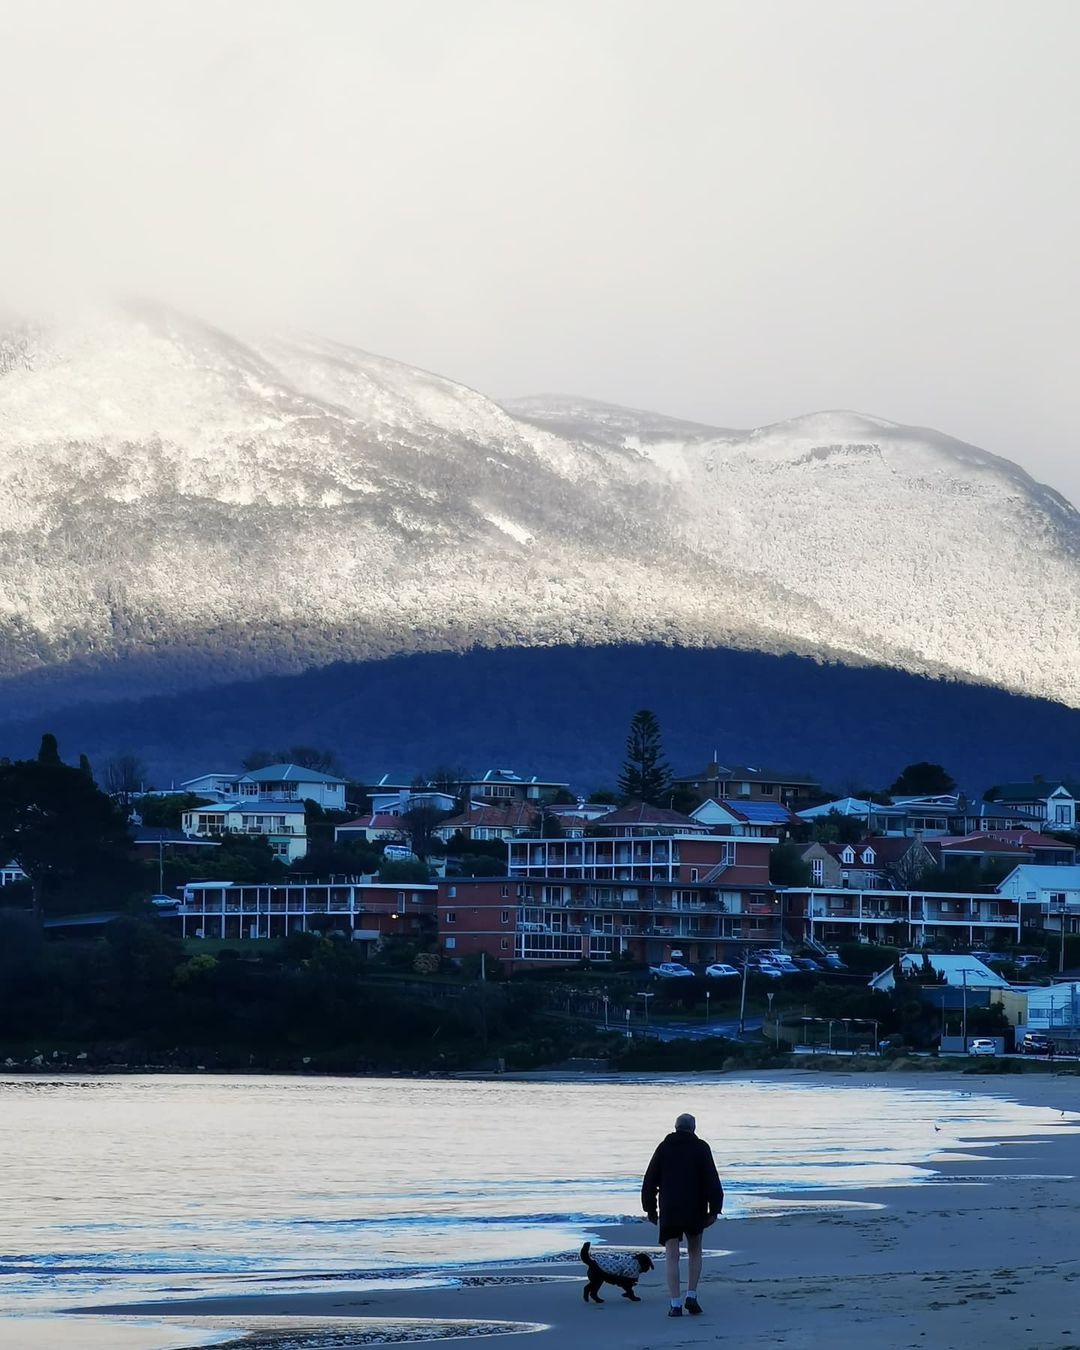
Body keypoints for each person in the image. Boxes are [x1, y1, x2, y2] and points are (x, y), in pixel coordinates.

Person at [641, 1111, 724, 1317]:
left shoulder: (663, 1147)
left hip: (669, 1208)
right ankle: (692, 1295)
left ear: (675, 1127)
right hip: (695, 1207)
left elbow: (649, 1180)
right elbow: (712, 1180)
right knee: (695, 1250)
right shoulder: (701, 1148)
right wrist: (715, 1209)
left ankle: (675, 1303)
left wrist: (650, 1208)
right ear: (693, 1129)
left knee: (672, 1255)